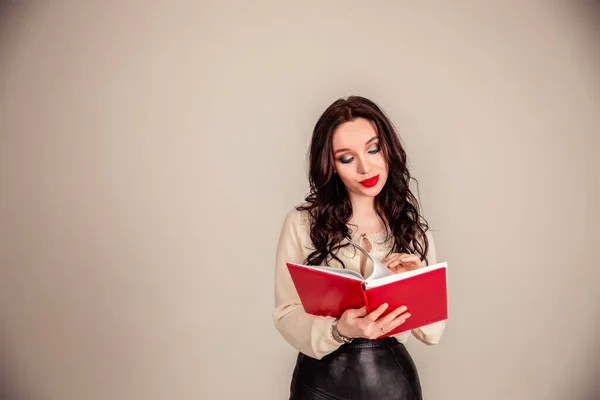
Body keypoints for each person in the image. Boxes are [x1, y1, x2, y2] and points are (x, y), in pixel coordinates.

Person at [272, 95, 446, 400]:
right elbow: (286, 314)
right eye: (346, 158)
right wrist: (339, 329)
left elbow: (432, 334)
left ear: (388, 148)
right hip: (320, 383)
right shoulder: (302, 224)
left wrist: (417, 284)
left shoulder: (413, 232)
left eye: (373, 148)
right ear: (332, 166)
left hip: (391, 383)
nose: (365, 167)